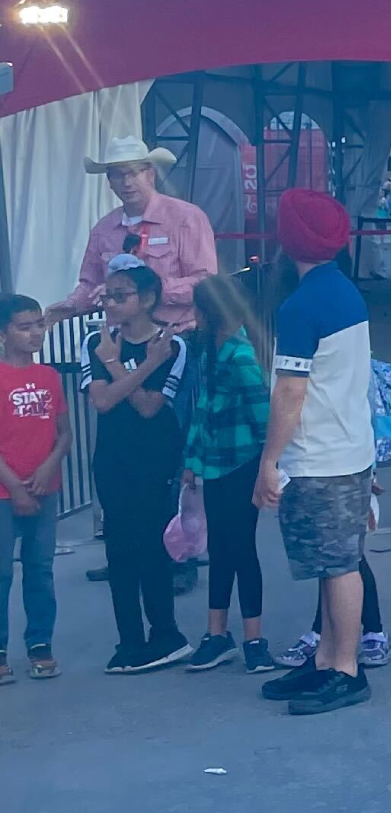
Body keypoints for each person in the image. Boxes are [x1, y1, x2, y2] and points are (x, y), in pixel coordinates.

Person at [253, 189, 377, 715]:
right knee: (336, 563)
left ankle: (345, 668)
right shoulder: (345, 292)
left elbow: (290, 390)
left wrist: (269, 460)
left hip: (319, 454)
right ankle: (328, 658)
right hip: (350, 445)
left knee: (337, 564)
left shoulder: (299, 306)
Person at [86, 264, 192, 673]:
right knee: (119, 549)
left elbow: (150, 407)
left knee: (151, 545)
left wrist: (119, 368)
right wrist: (133, 367)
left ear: (147, 299)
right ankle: (129, 640)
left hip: (155, 457)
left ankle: (165, 633)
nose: (111, 303)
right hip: (112, 459)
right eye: (107, 296)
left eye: (121, 295)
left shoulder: (172, 346)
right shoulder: (97, 343)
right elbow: (103, 401)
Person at [181, 275, 276, 674]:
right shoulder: (209, 350)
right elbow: (202, 409)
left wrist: (267, 468)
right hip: (216, 465)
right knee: (219, 548)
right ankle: (216, 634)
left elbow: (263, 416)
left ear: (208, 312)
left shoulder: (239, 355)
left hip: (242, 465)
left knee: (241, 549)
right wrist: (192, 460)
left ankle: (254, 639)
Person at [46, 137, 218, 330]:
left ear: (151, 174)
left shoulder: (185, 218)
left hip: (177, 332)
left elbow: (206, 283)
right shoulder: (104, 229)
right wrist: (73, 304)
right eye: (118, 175)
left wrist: (149, 291)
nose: (127, 182)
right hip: (123, 337)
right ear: (109, 181)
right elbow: (91, 283)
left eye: (134, 173)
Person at [0, 296, 71, 683]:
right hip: (4, 491)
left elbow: (64, 434)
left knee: (40, 570)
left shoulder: (49, 376)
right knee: (1, 573)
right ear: (3, 333)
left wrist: (47, 469)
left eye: (38, 324)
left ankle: (40, 644)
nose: (34, 333)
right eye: (24, 326)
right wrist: (16, 486)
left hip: (46, 486)